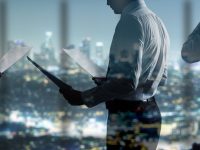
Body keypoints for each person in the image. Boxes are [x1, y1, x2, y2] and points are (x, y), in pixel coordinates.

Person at [59, 0, 170, 149]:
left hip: (128, 118)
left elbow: (126, 83)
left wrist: (82, 98)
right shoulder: (158, 21)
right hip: (151, 113)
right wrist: (112, 81)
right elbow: (162, 77)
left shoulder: (131, 20)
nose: (107, 2)